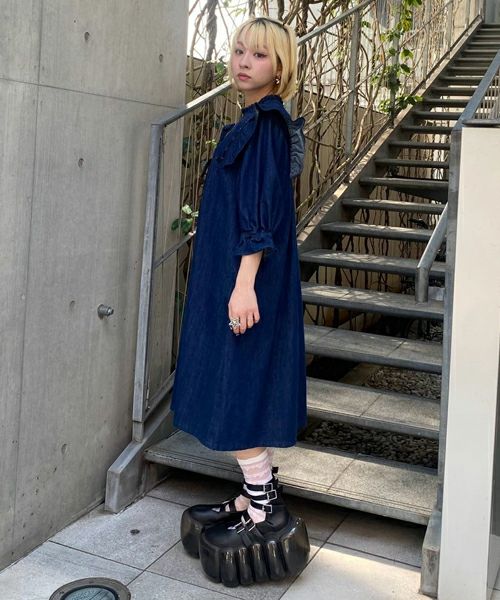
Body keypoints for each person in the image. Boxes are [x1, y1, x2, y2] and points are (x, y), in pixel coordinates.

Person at [170, 15, 310, 587]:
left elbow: (261, 208)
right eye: (239, 50)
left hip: (245, 279)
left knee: (240, 386)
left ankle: (263, 506)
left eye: (259, 54)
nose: (243, 61)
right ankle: (256, 499)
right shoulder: (253, 121)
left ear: (280, 68)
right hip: (232, 276)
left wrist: (245, 281)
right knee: (235, 381)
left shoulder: (268, 125)